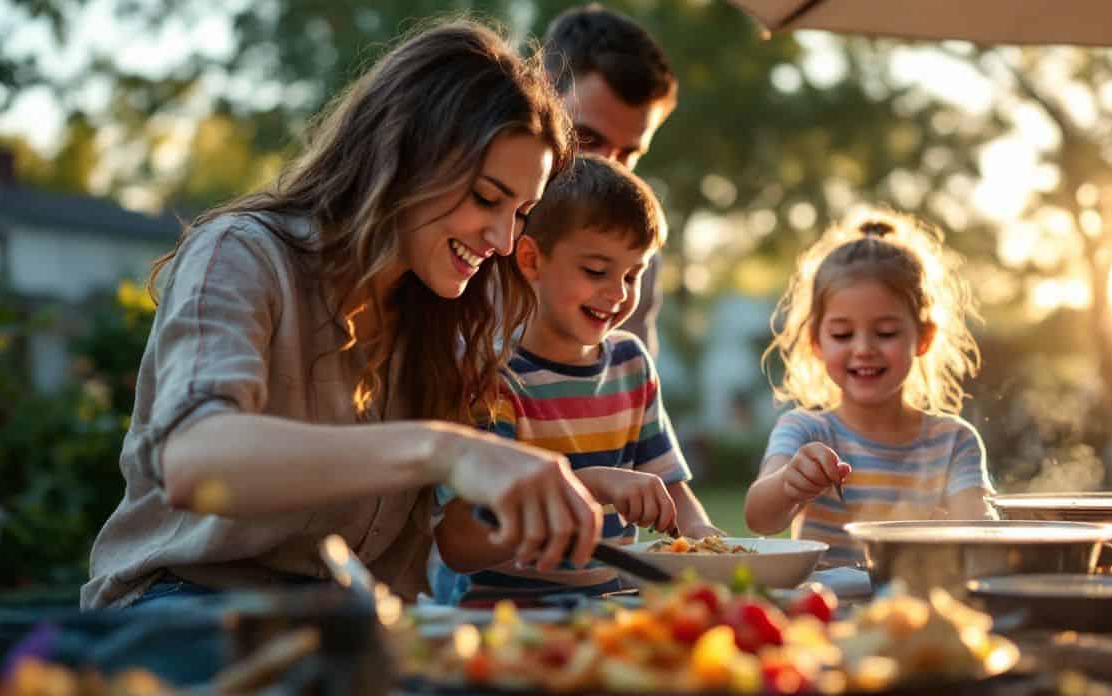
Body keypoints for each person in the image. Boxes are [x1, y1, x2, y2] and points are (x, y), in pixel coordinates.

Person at [81, 21, 604, 610]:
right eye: (486, 198)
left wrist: (550, 503)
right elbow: (194, 461)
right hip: (189, 607)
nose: (504, 241)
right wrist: (444, 449)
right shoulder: (242, 253)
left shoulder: (432, 317)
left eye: (521, 212)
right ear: (407, 159)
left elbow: (444, 542)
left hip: (347, 624)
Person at [433, 156, 720, 605]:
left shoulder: (630, 363)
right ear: (531, 259)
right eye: (596, 271)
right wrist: (593, 484)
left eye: (632, 274)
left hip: (614, 611)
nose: (619, 293)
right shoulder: (493, 378)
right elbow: (461, 541)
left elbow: (673, 491)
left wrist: (703, 537)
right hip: (508, 620)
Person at [744, 208, 994, 567]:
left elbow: (980, 535)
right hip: (825, 615)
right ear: (816, 341)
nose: (863, 348)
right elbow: (759, 519)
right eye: (842, 334)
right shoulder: (805, 431)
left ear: (923, 338)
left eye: (886, 332)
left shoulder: (954, 442)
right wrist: (789, 483)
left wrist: (972, 526)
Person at [542, 4, 678, 355]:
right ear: (540, 92)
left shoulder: (635, 255)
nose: (607, 166)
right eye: (587, 139)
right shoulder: (475, 221)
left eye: (628, 155)